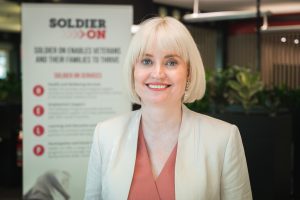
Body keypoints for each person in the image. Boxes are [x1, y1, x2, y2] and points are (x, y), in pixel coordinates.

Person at [84, 16, 252, 200]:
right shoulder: (106, 134)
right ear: (133, 70)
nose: (158, 73)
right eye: (147, 61)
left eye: (171, 62)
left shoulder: (223, 139)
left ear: (188, 72)